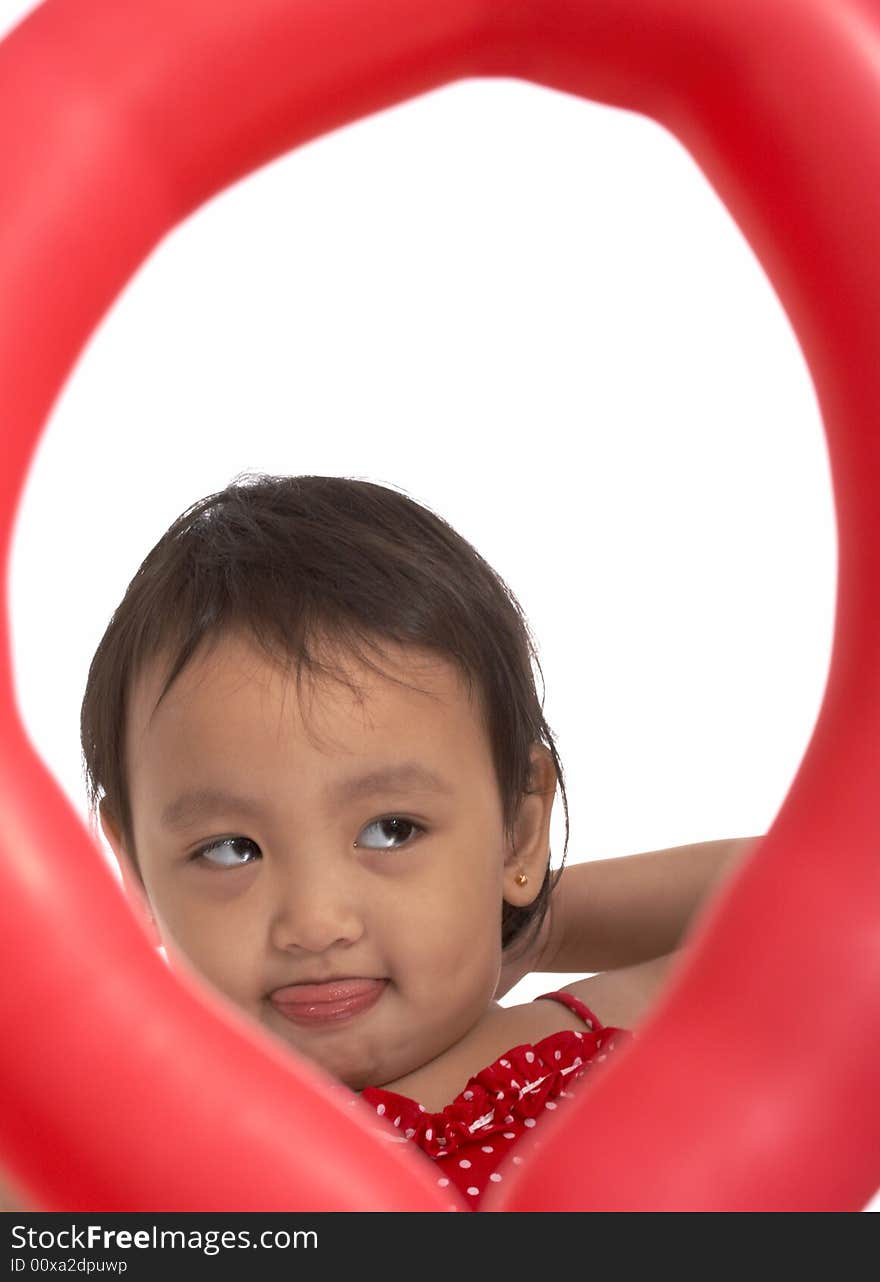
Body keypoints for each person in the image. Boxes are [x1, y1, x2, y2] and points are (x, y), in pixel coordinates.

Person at [69, 471, 758, 1214]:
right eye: (231, 848)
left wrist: (531, 922)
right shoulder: (130, 1153)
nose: (316, 922)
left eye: (390, 831)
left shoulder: (601, 1047)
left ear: (519, 828)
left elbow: (839, 903)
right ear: (135, 869)